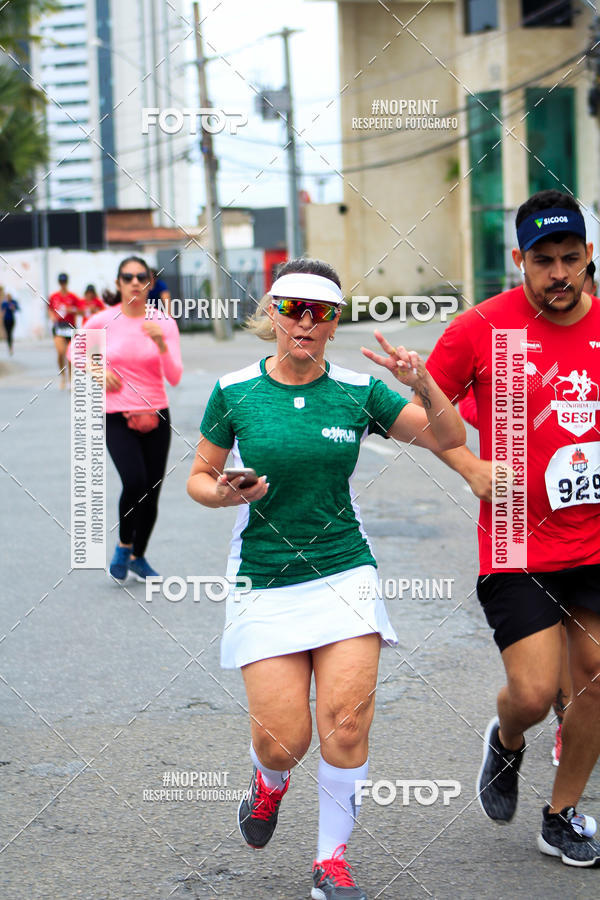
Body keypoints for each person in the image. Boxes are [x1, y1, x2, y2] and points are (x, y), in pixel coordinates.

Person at [186, 258, 465, 900]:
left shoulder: (357, 391)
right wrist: (226, 493)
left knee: (346, 725)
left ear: (335, 322)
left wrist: (424, 384)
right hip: (265, 575)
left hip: (344, 570)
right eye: (293, 310)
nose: (305, 323)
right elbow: (198, 479)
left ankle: (330, 863)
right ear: (273, 314)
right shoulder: (234, 391)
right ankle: (268, 781)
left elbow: (451, 436)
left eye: (320, 312)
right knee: (283, 741)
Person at [421, 189, 600, 864]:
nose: (558, 273)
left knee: (594, 677)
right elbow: (424, 415)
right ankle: (509, 738)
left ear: (588, 259)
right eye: (544, 260)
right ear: (520, 259)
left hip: (596, 539)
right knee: (531, 692)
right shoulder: (479, 329)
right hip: (517, 539)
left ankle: (562, 814)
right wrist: (469, 463)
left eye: (571, 258)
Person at [84, 256, 182, 582]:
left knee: (152, 491)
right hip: (116, 414)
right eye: (128, 277)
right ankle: (123, 545)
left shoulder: (164, 323)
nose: (135, 283)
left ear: (150, 282)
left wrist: (160, 344)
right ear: (118, 283)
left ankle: (139, 556)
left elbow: (175, 376)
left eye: (142, 277)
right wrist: (97, 370)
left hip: (156, 413)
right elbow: (77, 350)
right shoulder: (102, 320)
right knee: (135, 481)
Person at [48, 273, 80, 388]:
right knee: (61, 352)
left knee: (70, 355)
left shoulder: (73, 297)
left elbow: (81, 310)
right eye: (61, 282)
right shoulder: (54, 296)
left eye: (64, 282)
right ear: (59, 283)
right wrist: (52, 316)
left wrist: (72, 310)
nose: (63, 284)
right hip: (59, 326)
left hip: (70, 326)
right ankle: (63, 376)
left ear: (67, 282)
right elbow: (50, 309)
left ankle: (71, 379)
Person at [1, 290, 19, 355]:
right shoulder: (4, 303)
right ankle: (10, 347)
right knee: (8, 333)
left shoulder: (13, 302)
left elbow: (17, 309)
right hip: (6, 320)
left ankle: (10, 346)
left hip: (11, 320)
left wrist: (13, 307)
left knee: (10, 333)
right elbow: (2, 312)